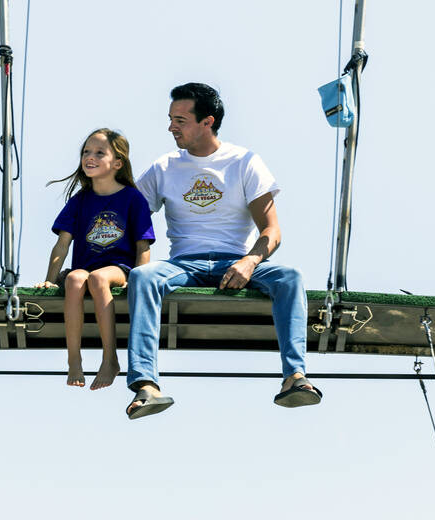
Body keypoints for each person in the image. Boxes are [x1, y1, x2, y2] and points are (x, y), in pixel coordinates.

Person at [124, 83, 322, 420]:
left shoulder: (244, 162)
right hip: (184, 264)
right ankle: (146, 386)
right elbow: (125, 217)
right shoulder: (164, 167)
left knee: (290, 276)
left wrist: (250, 261)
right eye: (171, 119)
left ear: (207, 122)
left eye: (180, 120)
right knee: (143, 276)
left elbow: (271, 231)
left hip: (236, 261)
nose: (171, 127)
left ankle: (295, 377)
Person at [35, 128, 155, 390]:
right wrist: (49, 280)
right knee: (76, 279)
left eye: (100, 153)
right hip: (84, 267)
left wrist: (138, 279)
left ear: (118, 163)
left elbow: (143, 245)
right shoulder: (80, 200)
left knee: (99, 278)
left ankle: (109, 357)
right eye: (86, 152)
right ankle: (73, 359)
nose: (90, 157)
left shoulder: (133, 199)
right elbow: (62, 244)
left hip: (119, 269)